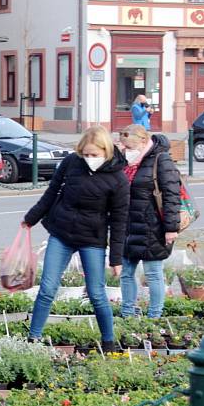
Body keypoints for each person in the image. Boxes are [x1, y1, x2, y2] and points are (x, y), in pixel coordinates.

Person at [22, 126, 130, 352]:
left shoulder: (118, 178)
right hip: (62, 233)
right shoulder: (72, 163)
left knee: (97, 293)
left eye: (94, 154)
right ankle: (33, 339)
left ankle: (108, 342)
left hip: (92, 238)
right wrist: (31, 218)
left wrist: (116, 259)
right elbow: (51, 193)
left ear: (106, 152)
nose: (89, 158)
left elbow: (119, 221)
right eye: (86, 154)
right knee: (47, 288)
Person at [118, 124, 181, 318]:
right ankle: (127, 313)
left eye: (129, 147)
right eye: (124, 147)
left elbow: (172, 195)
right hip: (128, 226)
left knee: (153, 273)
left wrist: (171, 228)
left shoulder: (161, 159)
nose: (126, 151)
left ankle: (155, 316)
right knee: (126, 273)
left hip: (152, 227)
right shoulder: (125, 162)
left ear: (143, 141)